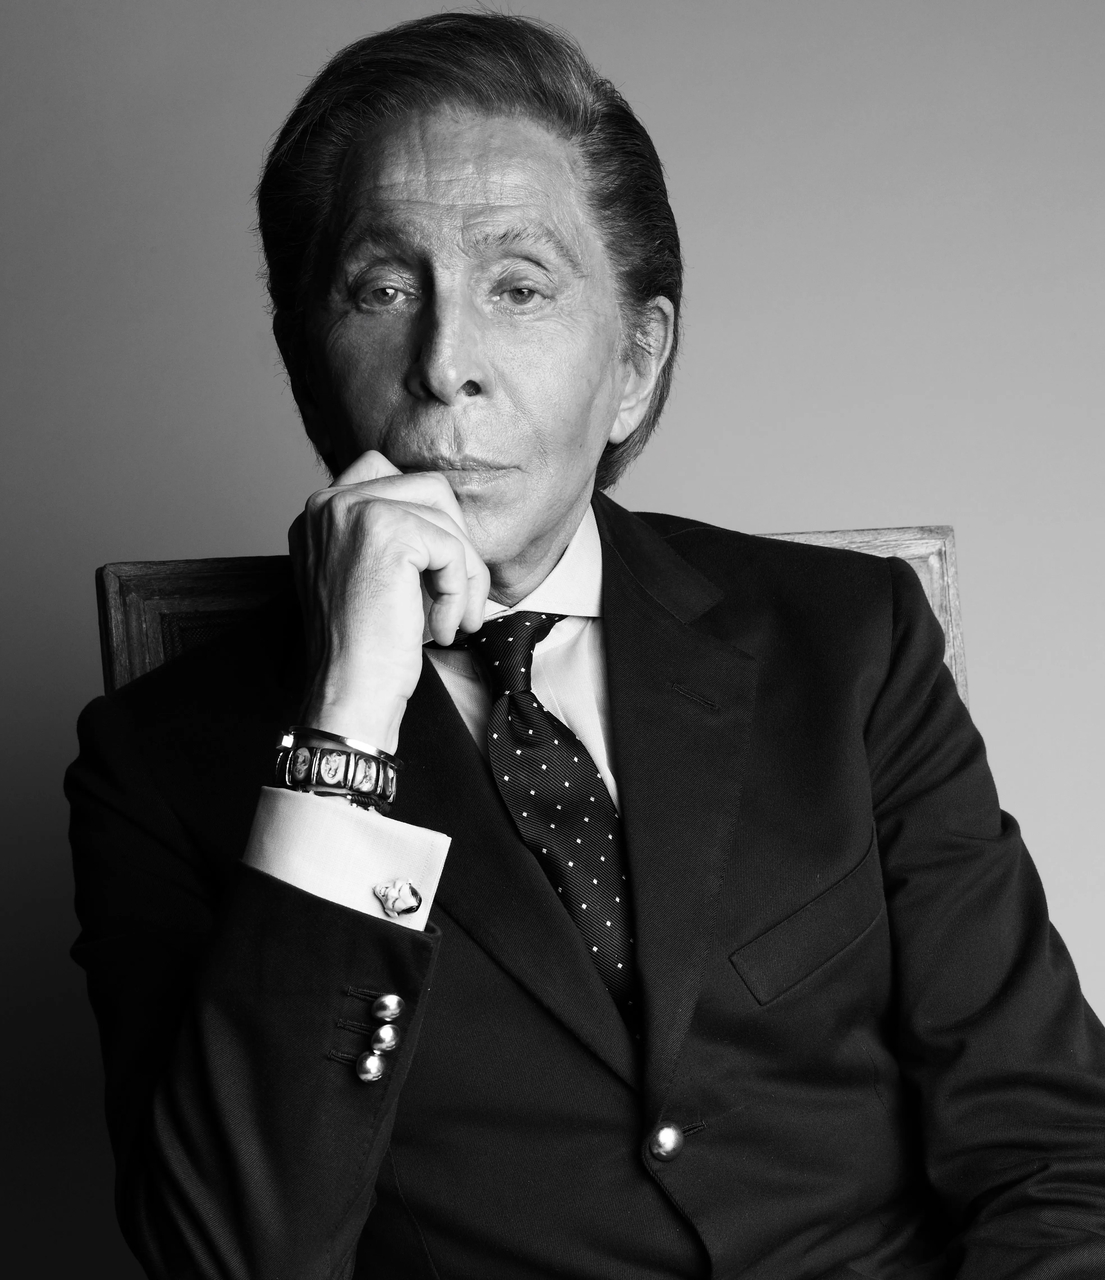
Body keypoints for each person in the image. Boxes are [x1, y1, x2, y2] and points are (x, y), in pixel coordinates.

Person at [66, 12, 1105, 1280]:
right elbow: (233, 1256)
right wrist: (347, 724)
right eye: (383, 289)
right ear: (303, 360)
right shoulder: (157, 765)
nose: (446, 365)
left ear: (634, 364)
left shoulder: (850, 641)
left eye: (518, 287)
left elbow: (1054, 1146)